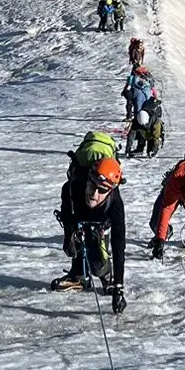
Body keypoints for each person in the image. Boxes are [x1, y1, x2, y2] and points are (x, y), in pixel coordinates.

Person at [52, 130, 127, 313]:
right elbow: (67, 209)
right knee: (77, 239)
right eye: (92, 186)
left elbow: (118, 246)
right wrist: (69, 234)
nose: (94, 194)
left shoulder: (115, 205)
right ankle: (78, 275)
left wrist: (118, 287)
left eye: (102, 190)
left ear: (110, 191)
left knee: (97, 260)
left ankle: (105, 274)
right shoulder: (75, 187)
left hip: (100, 218)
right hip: (79, 210)